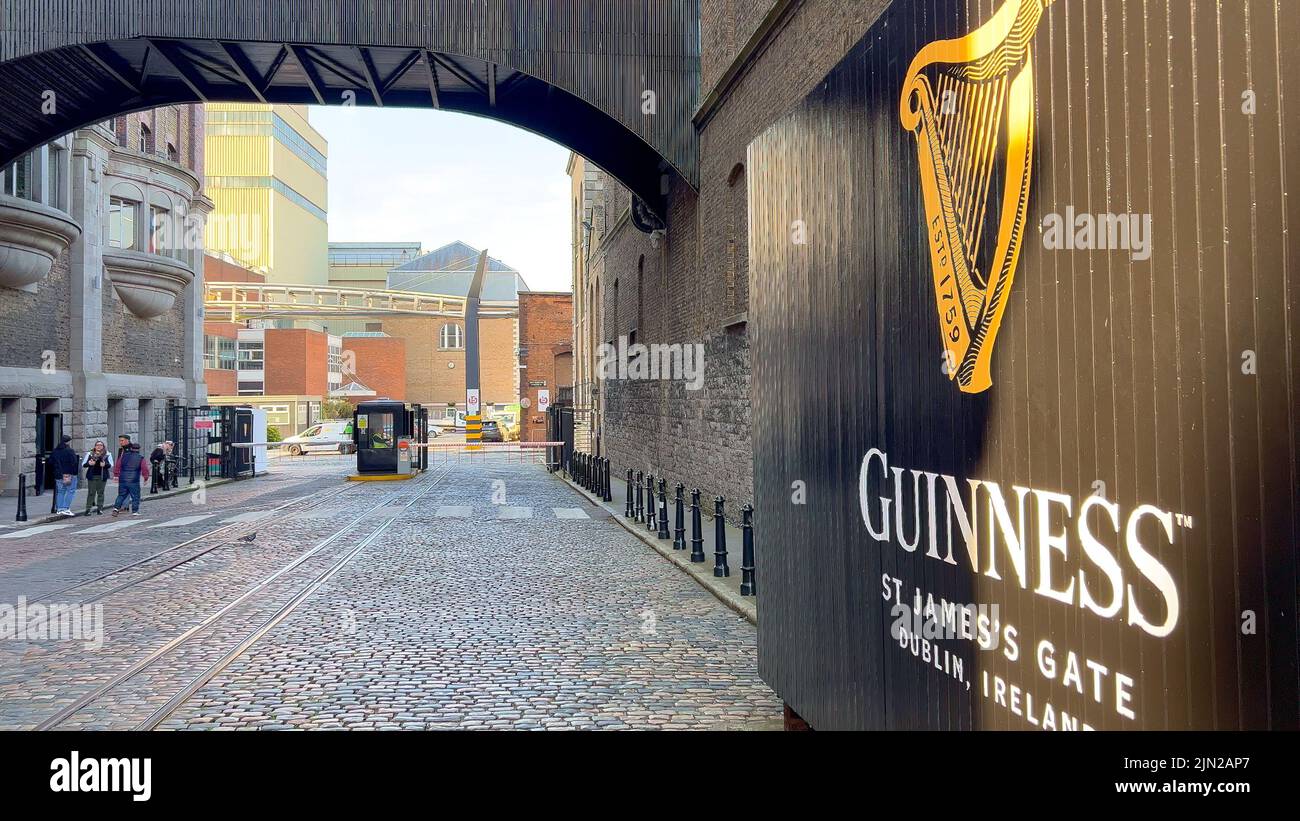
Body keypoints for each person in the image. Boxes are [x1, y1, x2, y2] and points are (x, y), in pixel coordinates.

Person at [111, 442, 150, 517]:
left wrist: (116, 475)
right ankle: (135, 511)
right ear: (139, 449)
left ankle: (116, 508)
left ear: (131, 448)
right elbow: (144, 469)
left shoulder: (123, 456)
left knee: (121, 495)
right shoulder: (140, 458)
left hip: (123, 479)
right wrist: (146, 478)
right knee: (135, 496)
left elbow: (118, 465)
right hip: (134, 480)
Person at [48, 435, 81, 517]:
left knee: (61, 491)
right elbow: (74, 462)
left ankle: (59, 509)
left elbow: (50, 461)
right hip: (69, 474)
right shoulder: (70, 451)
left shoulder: (55, 451)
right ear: (68, 442)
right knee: (70, 491)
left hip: (58, 474)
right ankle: (66, 508)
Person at [82, 441, 113, 516]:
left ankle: (100, 508)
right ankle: (88, 509)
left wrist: (105, 465)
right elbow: (84, 464)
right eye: (97, 445)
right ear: (95, 446)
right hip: (92, 475)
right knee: (91, 492)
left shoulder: (107, 454)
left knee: (100, 492)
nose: (99, 446)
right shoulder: (90, 454)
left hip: (102, 476)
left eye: (101, 445)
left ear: (103, 446)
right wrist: (89, 464)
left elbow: (111, 464)